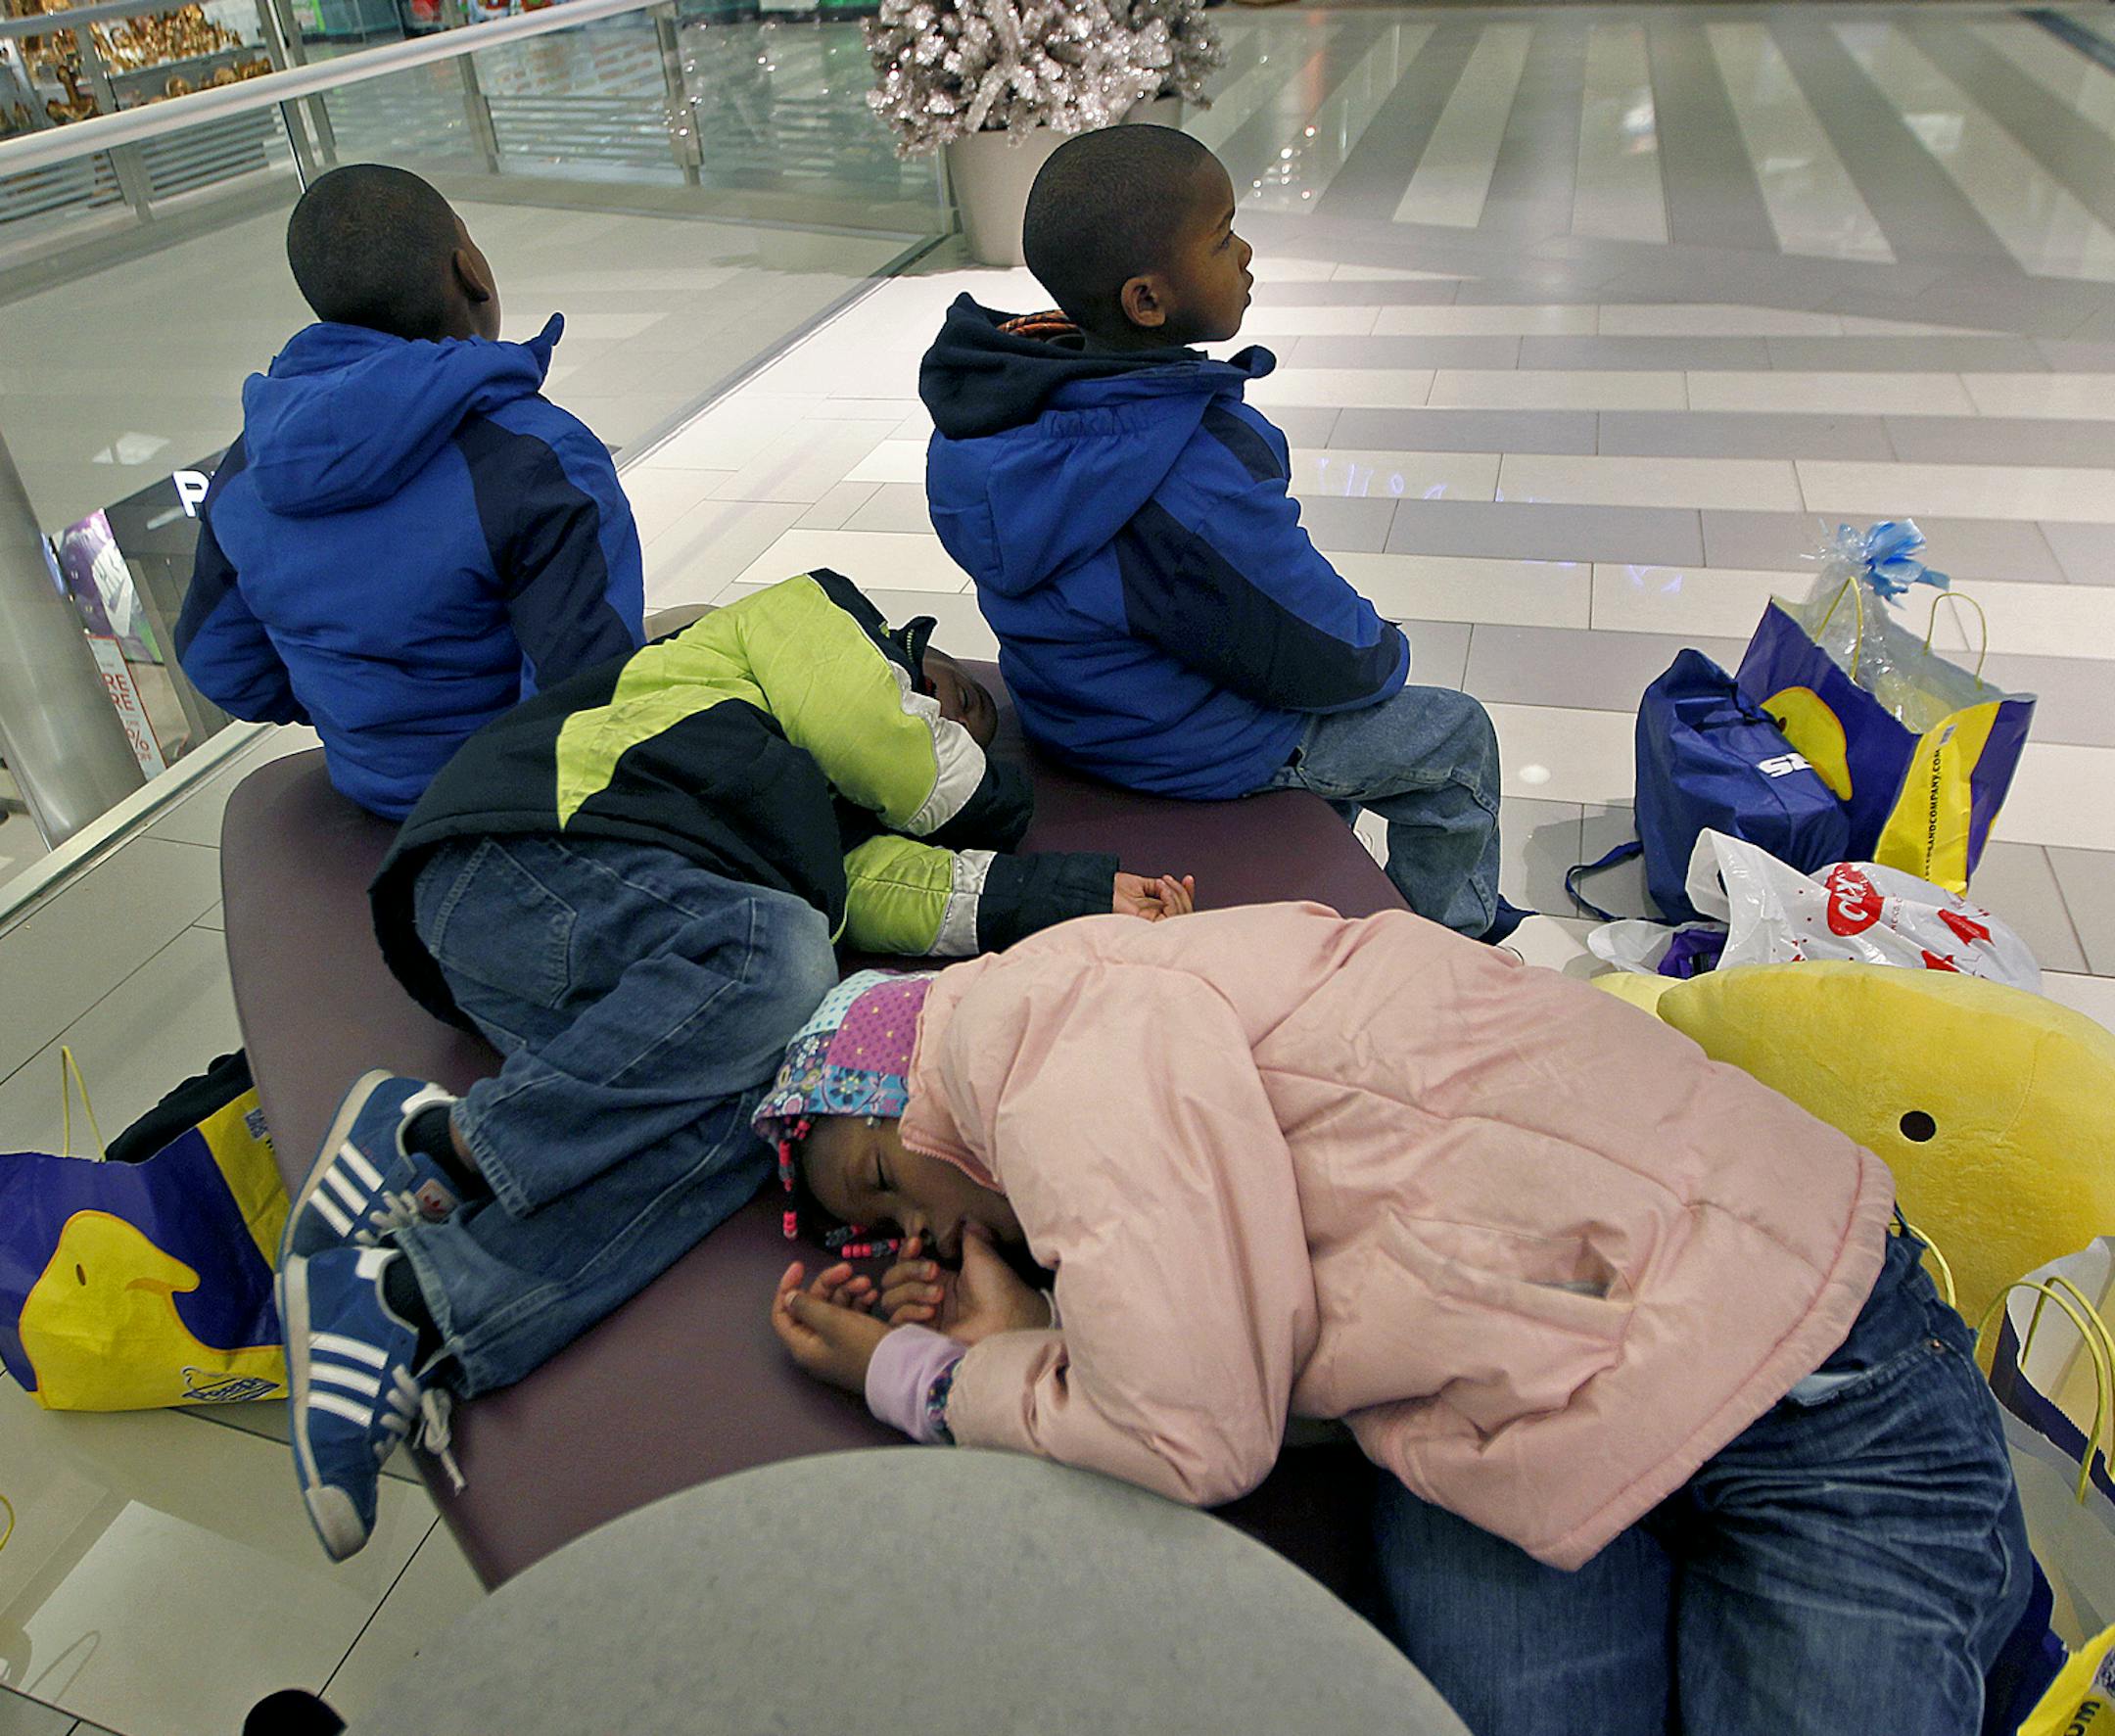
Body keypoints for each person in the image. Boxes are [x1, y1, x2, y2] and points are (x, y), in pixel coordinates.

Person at [764, 904, 2030, 1736]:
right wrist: (1042, 1320)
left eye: (881, 1183)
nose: (918, 1237)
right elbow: (1272, 1319)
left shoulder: (1017, 1029)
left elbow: (1190, 1430)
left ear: (898, 1085)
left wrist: (930, 1376)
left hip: (1815, 1382)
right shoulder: (1106, 1013)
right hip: (1530, 1403)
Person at [275, 567, 1193, 1562]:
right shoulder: (808, 619)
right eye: (949, 699)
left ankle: (417, 1304)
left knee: (764, 1116)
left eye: (967, 725)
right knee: (780, 953)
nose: (952, 720)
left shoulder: (821, 824)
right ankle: (444, 1139)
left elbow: (901, 892)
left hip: (610, 970)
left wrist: (1090, 892)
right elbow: (883, 738)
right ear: (905, 652)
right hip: (517, 858)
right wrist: (992, 790)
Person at [920, 126, 1514, 942]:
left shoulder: (1007, 412)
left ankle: (1326, 865)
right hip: (1178, 744)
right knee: (1454, 734)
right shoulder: (1184, 474)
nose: (1245, 254)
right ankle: (1453, 946)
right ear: (1149, 301)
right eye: (1222, 236)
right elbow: (1308, 640)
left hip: (1077, 709)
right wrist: (1385, 651)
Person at [174, 163, 644, 821]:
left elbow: (221, 664)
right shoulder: (539, 454)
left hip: (370, 799)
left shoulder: (248, 467)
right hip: (514, 816)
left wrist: (366, 703)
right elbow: (588, 703)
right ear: (470, 271)